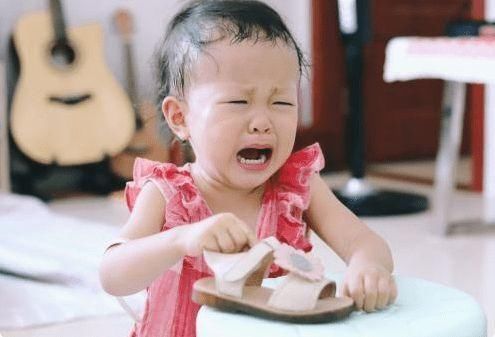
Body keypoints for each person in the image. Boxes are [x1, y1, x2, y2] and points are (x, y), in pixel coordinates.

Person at [99, 1, 397, 336]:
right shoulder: (169, 194)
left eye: (281, 102)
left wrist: (368, 267)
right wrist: (180, 239)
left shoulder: (297, 188)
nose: (261, 122)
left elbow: (365, 242)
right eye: (238, 102)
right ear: (181, 118)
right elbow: (112, 273)